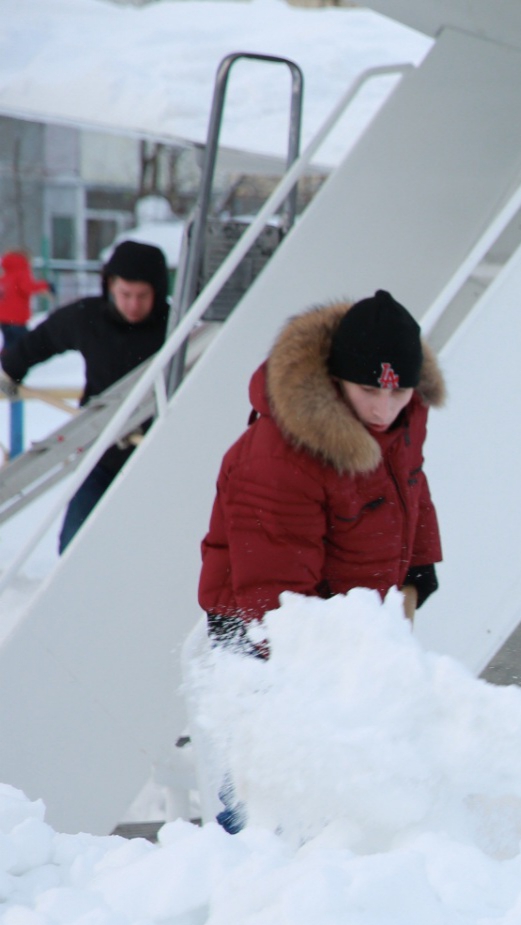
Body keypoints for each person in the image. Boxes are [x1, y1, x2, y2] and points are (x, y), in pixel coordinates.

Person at [199, 289, 444, 636]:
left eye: (398, 392)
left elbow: (409, 481)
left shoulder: (405, 420)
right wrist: (318, 659)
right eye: (369, 390)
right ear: (336, 378)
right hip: (262, 634)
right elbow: (275, 592)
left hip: (348, 623)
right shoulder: (281, 457)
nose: (384, 410)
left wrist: (418, 566)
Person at [0, 239, 172, 549]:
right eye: (125, 294)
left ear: (157, 292)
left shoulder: (176, 328)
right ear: (110, 287)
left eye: (142, 295)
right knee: (74, 544)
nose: (133, 304)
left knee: (150, 546)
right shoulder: (90, 319)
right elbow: (44, 338)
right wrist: (9, 369)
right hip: (101, 454)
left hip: (158, 460)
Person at [0, 250, 50, 356]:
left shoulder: (5, 276)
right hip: (17, 318)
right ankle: (14, 362)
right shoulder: (22, 273)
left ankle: (6, 359)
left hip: (4, 319)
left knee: (9, 342)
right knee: (26, 342)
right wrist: (44, 286)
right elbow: (27, 288)